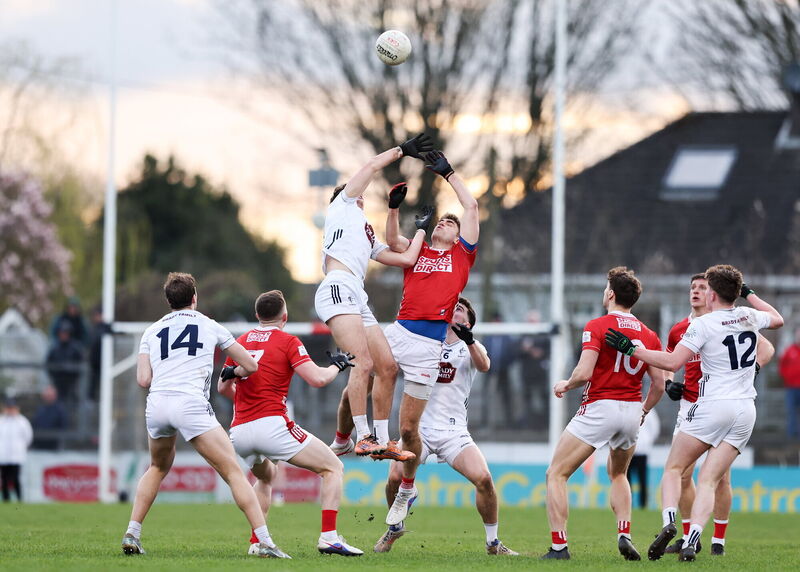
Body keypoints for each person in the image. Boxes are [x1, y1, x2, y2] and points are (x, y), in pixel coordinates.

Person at [605, 265, 783, 562]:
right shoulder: (749, 315)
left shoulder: (702, 324)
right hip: (745, 410)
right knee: (710, 480)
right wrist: (750, 295)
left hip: (712, 406)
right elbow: (777, 319)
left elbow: (673, 362)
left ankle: (669, 522)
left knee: (675, 469)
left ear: (711, 294)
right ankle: (694, 539)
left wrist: (631, 349)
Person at [120, 272, 282, 558]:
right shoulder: (209, 325)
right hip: (190, 404)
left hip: (157, 404)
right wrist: (235, 371)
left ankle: (132, 532)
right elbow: (251, 365)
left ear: (168, 300)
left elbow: (143, 380)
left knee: (157, 467)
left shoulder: (151, 331)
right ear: (194, 297)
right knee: (233, 471)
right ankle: (266, 542)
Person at [377, 149, 480, 528]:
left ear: (458, 236)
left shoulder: (461, 258)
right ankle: (357, 435)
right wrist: (392, 210)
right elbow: (391, 241)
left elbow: (470, 209)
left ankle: (407, 486)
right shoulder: (417, 249)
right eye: (442, 222)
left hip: (428, 344)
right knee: (367, 367)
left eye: (449, 225)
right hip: (400, 329)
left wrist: (449, 174)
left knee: (409, 430)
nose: (445, 224)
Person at [218, 290, 363, 557]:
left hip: (239, 431)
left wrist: (248, 401)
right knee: (333, 467)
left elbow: (223, 387)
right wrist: (338, 366)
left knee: (267, 476)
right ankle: (329, 537)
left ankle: (257, 542)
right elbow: (317, 379)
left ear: (257, 315)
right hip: (271, 425)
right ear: (284, 317)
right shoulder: (288, 341)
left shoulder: (241, 340)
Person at [316, 134, 433, 460]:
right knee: (363, 363)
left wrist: (420, 229)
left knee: (388, 367)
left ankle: (381, 440)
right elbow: (370, 165)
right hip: (337, 287)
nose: (363, 194)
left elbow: (407, 258)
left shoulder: (365, 231)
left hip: (356, 295)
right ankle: (363, 435)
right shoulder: (342, 204)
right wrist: (401, 151)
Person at [374, 297, 518, 556]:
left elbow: (485, 365)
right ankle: (395, 527)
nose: (454, 310)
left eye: (460, 309)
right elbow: (388, 362)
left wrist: (470, 340)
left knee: (484, 479)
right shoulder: (423, 344)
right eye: (452, 307)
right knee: (394, 478)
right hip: (419, 430)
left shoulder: (472, 348)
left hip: (454, 433)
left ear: (468, 322)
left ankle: (493, 543)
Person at [541, 266, 665, 561]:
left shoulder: (597, 325)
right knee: (619, 473)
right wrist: (644, 411)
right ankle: (624, 533)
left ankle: (559, 548)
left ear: (610, 293)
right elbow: (659, 384)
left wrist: (565, 384)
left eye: (604, 287)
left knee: (556, 474)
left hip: (601, 406)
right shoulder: (649, 334)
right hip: (632, 410)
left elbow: (584, 373)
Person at [662, 274, 776, 556]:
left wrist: (755, 367)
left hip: (716, 405)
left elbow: (767, 348)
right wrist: (668, 383)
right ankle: (689, 536)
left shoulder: (733, 321)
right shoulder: (681, 329)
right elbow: (670, 362)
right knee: (688, 475)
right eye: (693, 288)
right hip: (692, 405)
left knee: (717, 477)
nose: (697, 292)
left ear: (712, 293)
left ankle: (718, 540)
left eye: (703, 287)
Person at [0, 397, 33, 502]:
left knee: (15, 479)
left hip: (17, 456)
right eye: (8, 408)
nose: (10, 410)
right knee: (4, 479)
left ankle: (19, 499)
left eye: (12, 408)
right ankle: (6, 500)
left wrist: (21, 448)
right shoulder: (1, 421)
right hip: (3, 456)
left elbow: (28, 437)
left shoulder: (22, 422)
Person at [45, 322, 85, 406]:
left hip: (72, 383)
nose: (63, 335)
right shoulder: (55, 348)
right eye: (62, 333)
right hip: (58, 382)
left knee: (72, 403)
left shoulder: (76, 347)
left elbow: (81, 363)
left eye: (66, 333)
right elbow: (48, 363)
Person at [626, 407, 659, 509]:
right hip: (628, 449)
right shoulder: (627, 407)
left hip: (641, 450)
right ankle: (628, 504)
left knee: (642, 480)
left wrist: (647, 441)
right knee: (627, 480)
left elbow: (655, 427)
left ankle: (643, 505)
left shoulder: (648, 409)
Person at [31, 385, 69, 450]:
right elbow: (35, 424)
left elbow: (63, 426)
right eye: (46, 395)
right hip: (38, 445)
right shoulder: (40, 409)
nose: (47, 397)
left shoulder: (60, 410)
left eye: (49, 395)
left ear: (54, 396)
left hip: (53, 446)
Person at [779, 327, 800, 439]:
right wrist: (786, 377)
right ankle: (791, 435)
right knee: (791, 411)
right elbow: (782, 365)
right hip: (791, 387)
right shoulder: (789, 350)